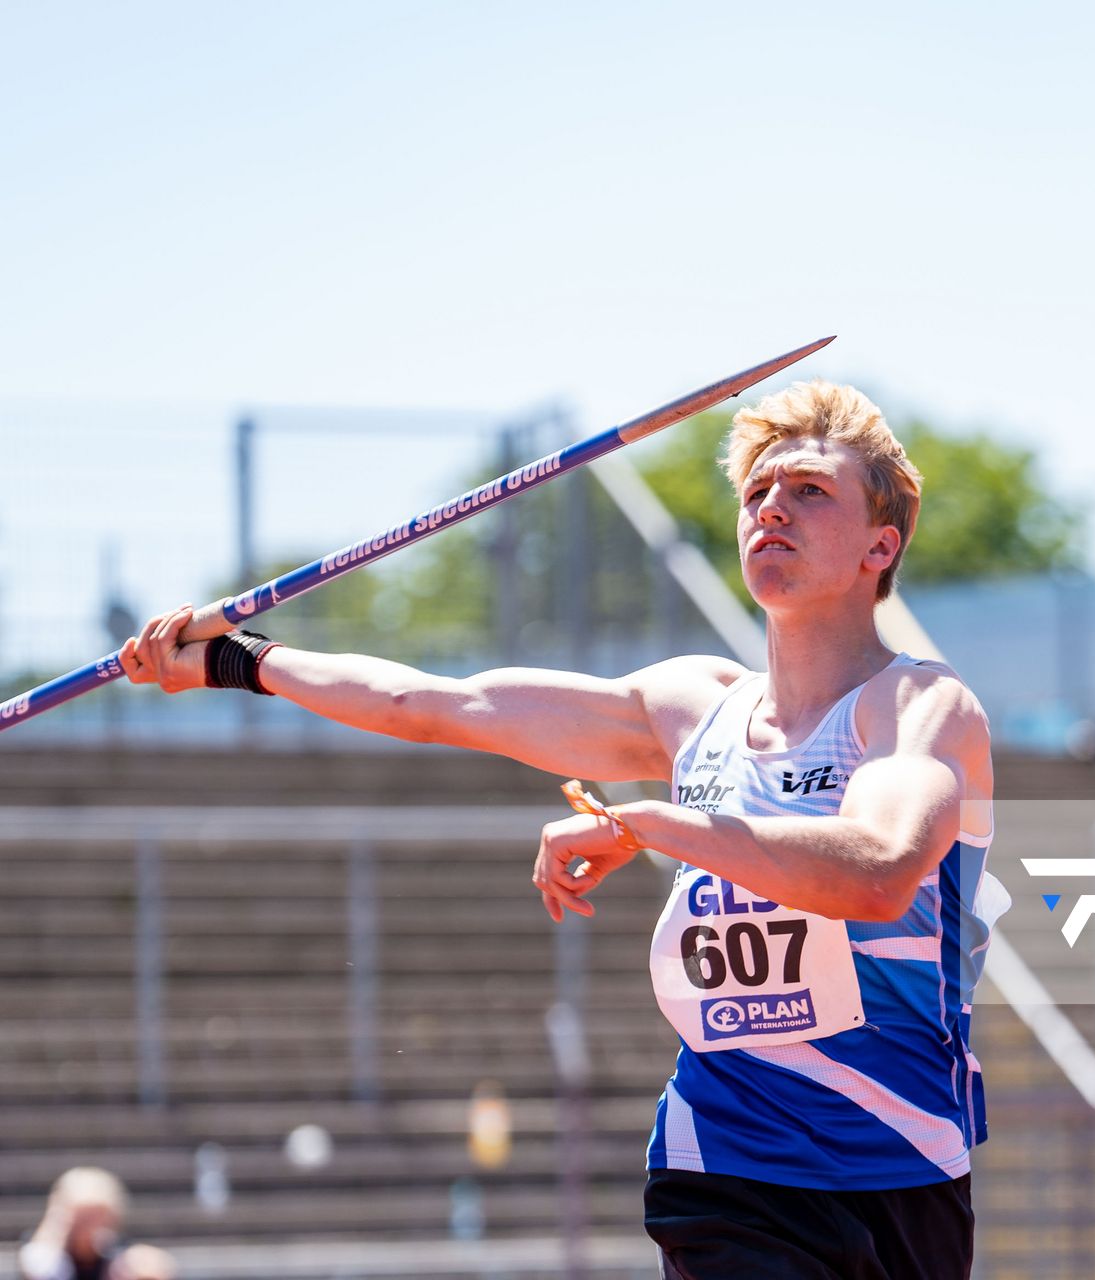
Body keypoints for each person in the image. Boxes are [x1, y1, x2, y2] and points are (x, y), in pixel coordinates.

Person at [121, 380, 1003, 1280]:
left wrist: (659, 821)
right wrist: (237, 660)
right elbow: (434, 704)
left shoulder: (919, 707)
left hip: (903, 1163)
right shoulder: (692, 706)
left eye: (809, 490)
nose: (772, 506)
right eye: (756, 494)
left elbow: (878, 872)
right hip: (726, 1161)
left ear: (879, 545)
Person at [17, 1168, 177, 1280]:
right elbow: (38, 1269)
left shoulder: (116, 1254)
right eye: (84, 1217)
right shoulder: (49, 1253)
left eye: (98, 1217)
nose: (91, 1226)